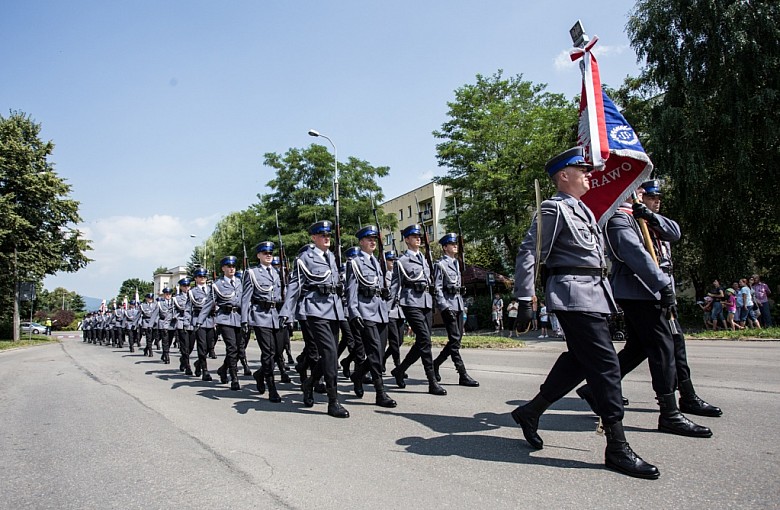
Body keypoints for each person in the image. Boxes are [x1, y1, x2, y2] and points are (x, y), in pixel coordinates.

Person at [511, 146, 658, 479]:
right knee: (606, 365)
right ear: (564, 176)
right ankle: (617, 447)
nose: (590, 175)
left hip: (594, 294)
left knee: (579, 359)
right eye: (583, 170)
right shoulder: (553, 209)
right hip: (573, 294)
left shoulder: (584, 211)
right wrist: (524, 297)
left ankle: (531, 412)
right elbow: (529, 251)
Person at [575, 185, 712, 439]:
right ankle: (669, 413)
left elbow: (674, 233)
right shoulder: (617, 217)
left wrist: (649, 216)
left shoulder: (642, 216)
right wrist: (661, 286)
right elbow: (635, 255)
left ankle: (596, 389)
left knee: (642, 348)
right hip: (640, 291)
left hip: (656, 288)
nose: (652, 199)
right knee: (663, 347)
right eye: (641, 190)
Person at [279, 221, 350, 418]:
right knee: (328, 352)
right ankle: (333, 401)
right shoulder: (304, 258)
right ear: (313, 237)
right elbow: (294, 286)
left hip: (334, 309)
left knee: (331, 354)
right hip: (315, 309)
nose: (327, 237)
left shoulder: (332, 257)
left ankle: (309, 383)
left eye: (328, 234)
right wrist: (286, 312)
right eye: (322, 234)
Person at [388, 224, 447, 396]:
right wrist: (386, 310)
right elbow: (394, 287)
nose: (418, 238)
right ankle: (431, 381)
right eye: (414, 236)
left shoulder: (424, 258)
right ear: (406, 240)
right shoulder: (401, 261)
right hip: (410, 302)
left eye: (419, 236)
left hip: (426, 302)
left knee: (422, 341)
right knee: (425, 340)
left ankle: (400, 370)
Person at [344, 225, 397, 407]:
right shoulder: (354, 263)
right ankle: (380, 393)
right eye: (369, 239)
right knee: (374, 351)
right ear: (361, 242)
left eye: (375, 239)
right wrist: (353, 313)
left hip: (380, 312)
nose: (373, 241)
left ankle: (357, 375)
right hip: (365, 311)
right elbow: (350, 290)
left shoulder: (377, 262)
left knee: (379, 354)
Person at [432, 232, 479, 387]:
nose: (455, 246)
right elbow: (437, 288)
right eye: (452, 244)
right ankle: (462, 373)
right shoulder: (440, 265)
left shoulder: (456, 263)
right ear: (445, 247)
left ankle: (436, 364)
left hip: (458, 304)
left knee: (456, 340)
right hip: (448, 306)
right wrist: (443, 307)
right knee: (454, 340)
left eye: (455, 244)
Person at [241, 241, 283, 403]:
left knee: (278, 352)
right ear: (258, 255)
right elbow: (246, 298)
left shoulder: (277, 273)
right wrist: (245, 320)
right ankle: (272, 387)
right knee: (268, 353)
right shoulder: (252, 273)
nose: (268, 255)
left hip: (276, 315)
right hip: (260, 316)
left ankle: (259, 374)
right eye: (265, 253)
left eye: (270, 253)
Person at [198, 256, 244, 390]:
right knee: (232, 348)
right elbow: (208, 304)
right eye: (229, 266)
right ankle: (234, 378)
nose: (231, 269)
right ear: (223, 268)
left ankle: (223, 369)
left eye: (233, 266)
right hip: (224, 318)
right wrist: (199, 321)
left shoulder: (240, 282)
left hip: (239, 318)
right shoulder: (217, 285)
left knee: (238, 348)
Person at [189, 268, 215, 381]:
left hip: (210, 320)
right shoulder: (192, 292)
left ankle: (198, 363)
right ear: (196, 278)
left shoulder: (212, 289)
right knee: (202, 346)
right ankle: (205, 371)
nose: (203, 278)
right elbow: (187, 309)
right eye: (200, 277)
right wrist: (187, 323)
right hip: (198, 320)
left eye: (204, 276)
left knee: (210, 347)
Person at [382, 250, 405, 371]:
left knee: (400, 341)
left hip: (400, 311)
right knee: (394, 341)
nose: (393, 262)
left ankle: (384, 358)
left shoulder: (399, 274)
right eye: (390, 260)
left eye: (394, 260)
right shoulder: (382, 275)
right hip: (389, 311)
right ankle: (398, 366)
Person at [138, 293, 159, 357]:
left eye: (151, 298)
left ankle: (146, 349)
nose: (150, 299)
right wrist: (139, 323)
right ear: (146, 298)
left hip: (154, 323)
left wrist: (156, 321)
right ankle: (150, 351)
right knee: (148, 338)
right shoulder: (142, 305)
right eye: (149, 298)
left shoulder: (155, 305)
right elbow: (139, 315)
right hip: (146, 322)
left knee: (153, 337)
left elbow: (158, 314)